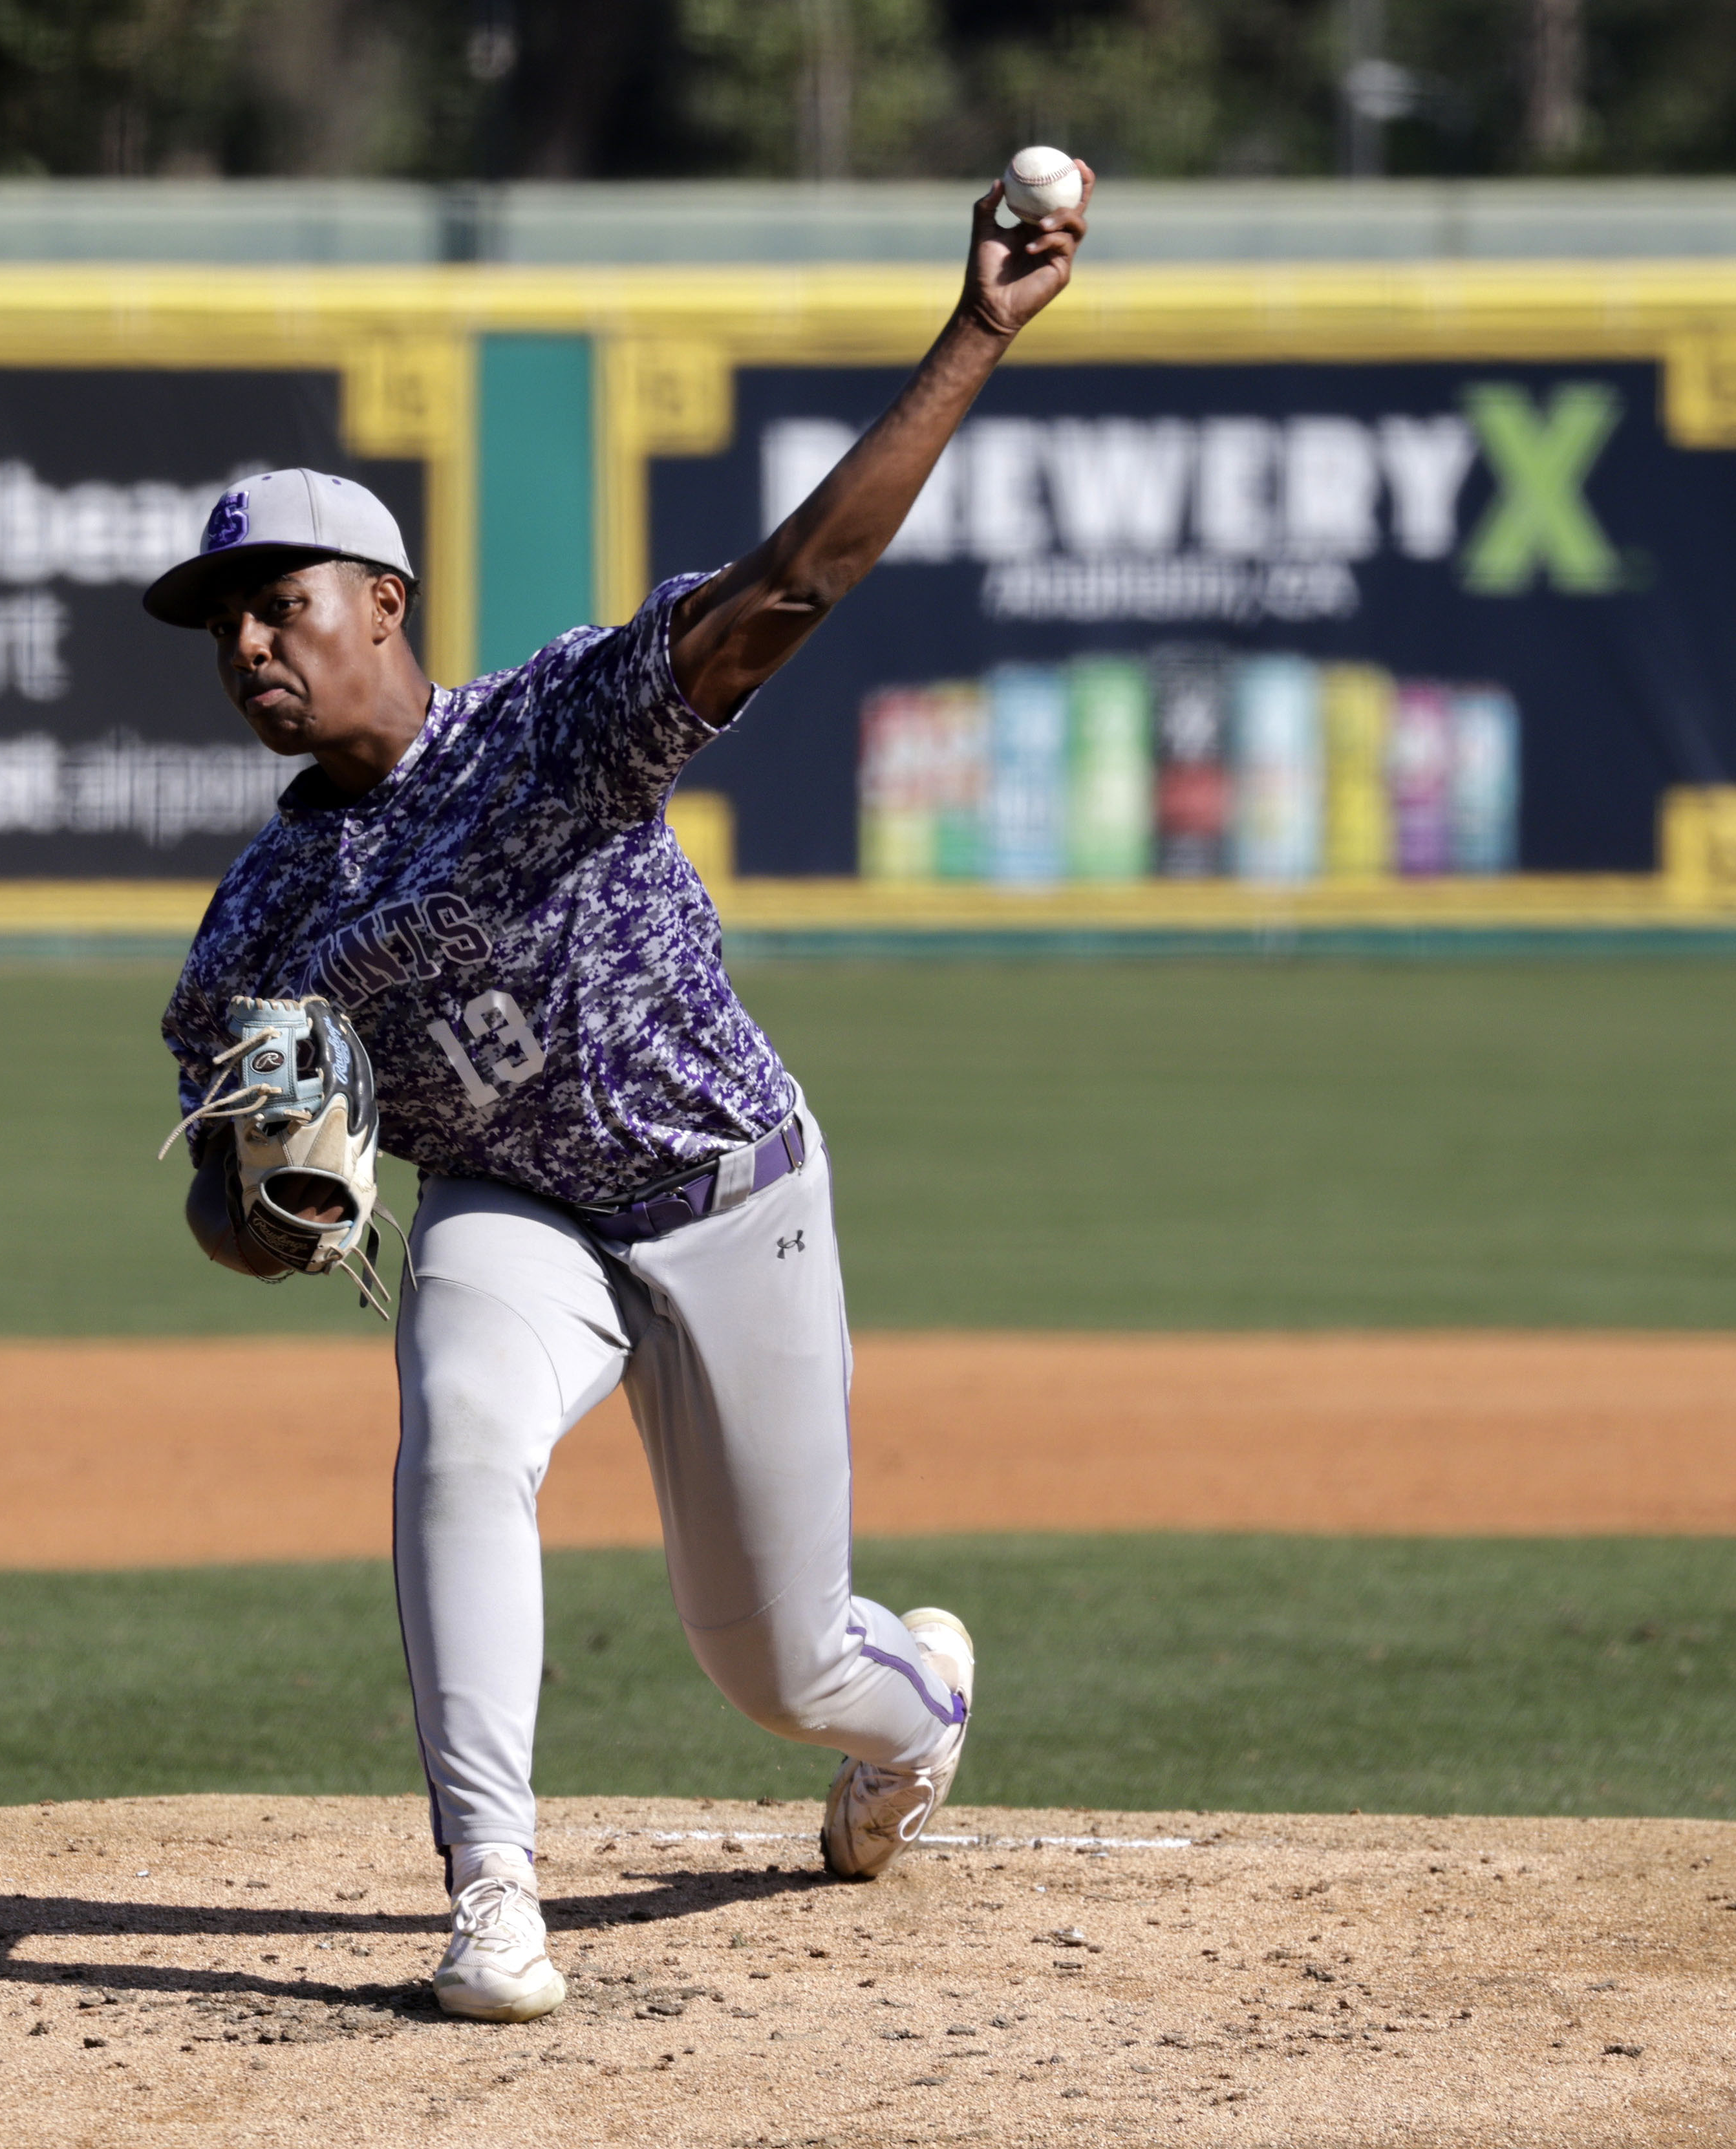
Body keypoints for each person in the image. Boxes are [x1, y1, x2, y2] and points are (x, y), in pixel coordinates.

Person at [145, 167, 1093, 2024]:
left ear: (383, 602)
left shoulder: (554, 727)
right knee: (457, 1424)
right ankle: (495, 1896)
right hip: (516, 1213)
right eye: (223, 622)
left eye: (280, 602)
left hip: (728, 1190)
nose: (248, 642)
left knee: (777, 1663)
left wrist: (978, 328)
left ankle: (920, 1710)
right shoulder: (258, 918)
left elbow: (795, 581)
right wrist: (256, 1218)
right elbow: (216, 1196)